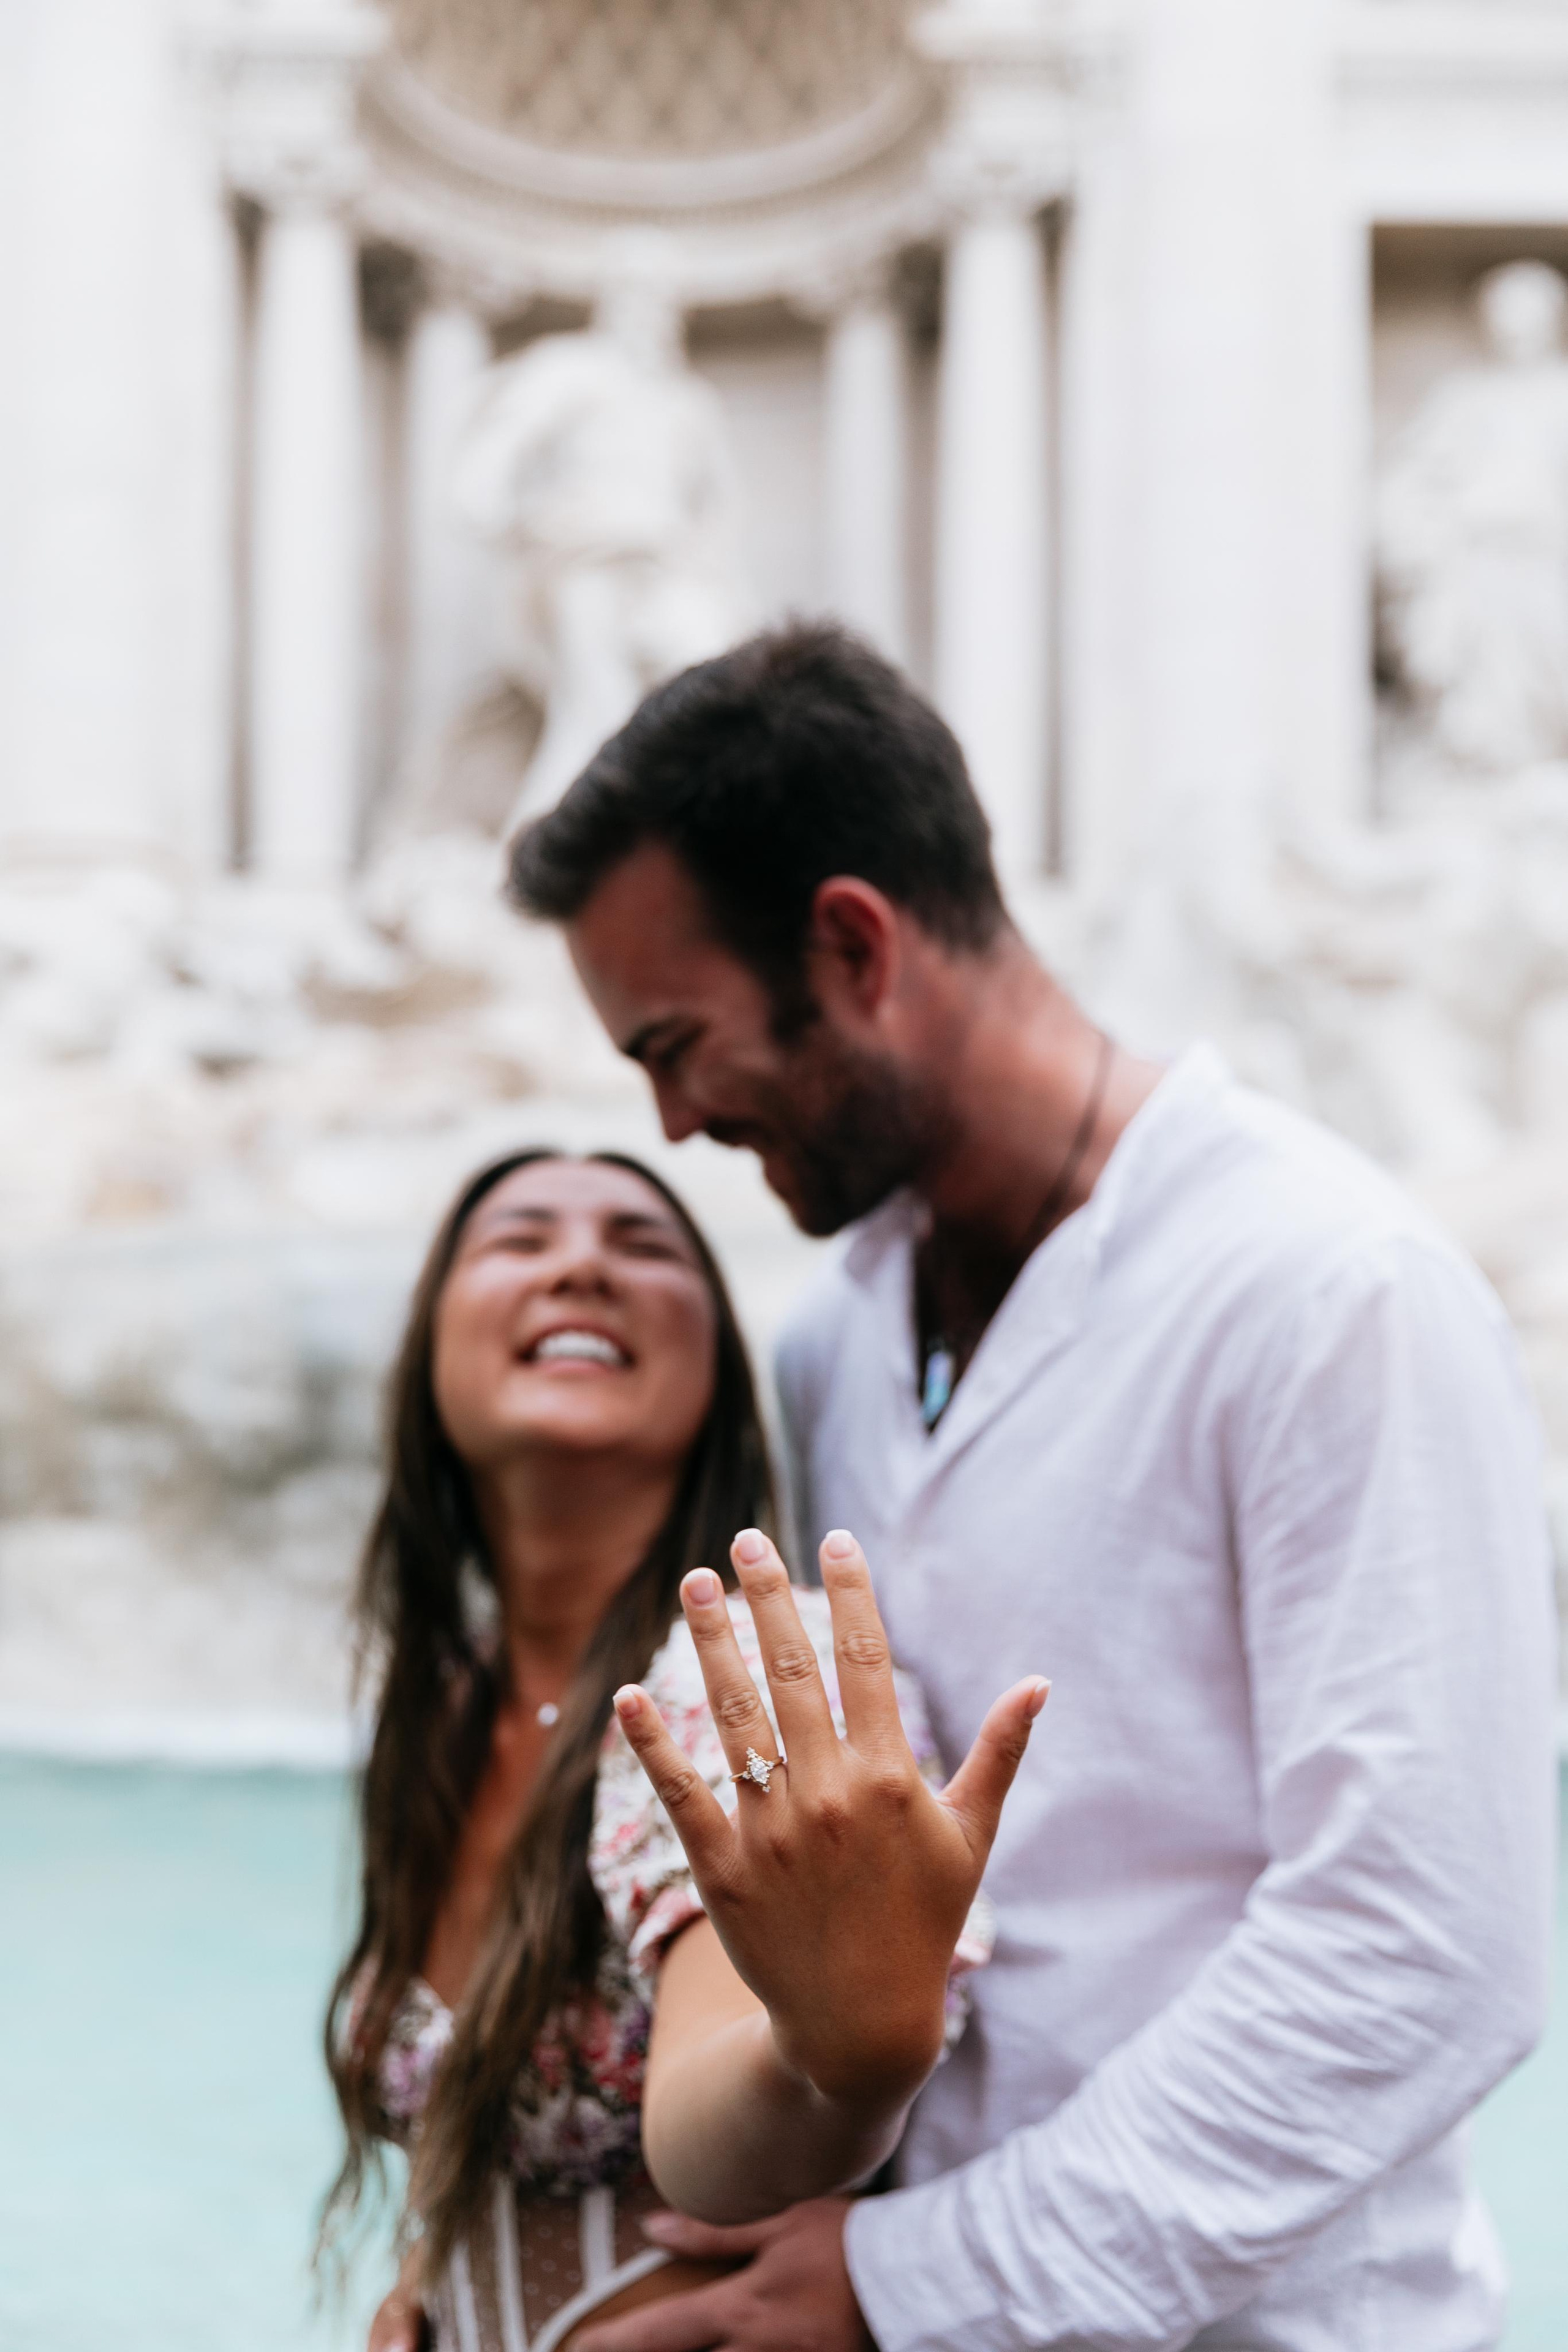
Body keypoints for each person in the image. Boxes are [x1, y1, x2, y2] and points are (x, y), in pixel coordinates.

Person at [508, 622, 1559, 2352]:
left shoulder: (1328, 1291)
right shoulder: (834, 1342)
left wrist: (918, 2286)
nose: (675, 1122)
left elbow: (1426, 1949)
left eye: (676, 1044)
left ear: (853, 946)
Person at [322, 1145, 1041, 2352]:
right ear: (429, 1353)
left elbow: (713, 2132)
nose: (581, 1267)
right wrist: (428, 2275)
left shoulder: (753, 1676)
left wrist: (833, 2064)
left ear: (717, 1372)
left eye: (643, 1246)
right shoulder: (445, 1706)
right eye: (520, 1239)